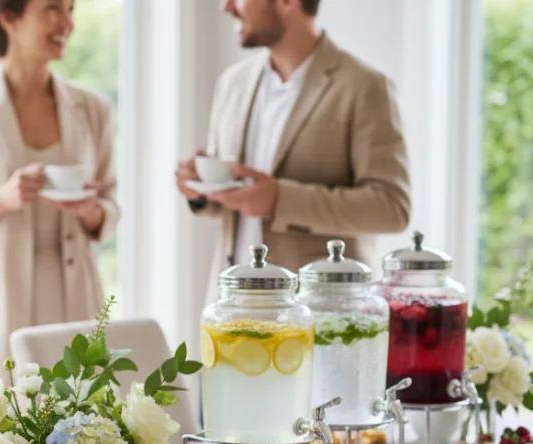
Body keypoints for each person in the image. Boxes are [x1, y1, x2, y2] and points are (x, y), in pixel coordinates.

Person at [0, 0, 119, 389]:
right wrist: (1, 199)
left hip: (76, 300)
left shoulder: (93, 109)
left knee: (81, 431)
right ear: (10, 18)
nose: (68, 23)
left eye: (70, 9)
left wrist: (91, 210)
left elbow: (110, 211)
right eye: (52, 9)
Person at [176, 0, 410, 300]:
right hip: (230, 309)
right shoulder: (232, 83)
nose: (227, 7)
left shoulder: (364, 87)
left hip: (318, 316)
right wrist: (200, 192)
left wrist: (279, 201)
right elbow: (233, 201)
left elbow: (392, 208)